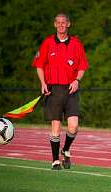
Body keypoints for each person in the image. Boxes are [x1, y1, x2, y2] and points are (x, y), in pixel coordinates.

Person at [32, 13, 89, 170]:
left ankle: (66, 149)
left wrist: (77, 80)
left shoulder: (76, 44)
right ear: (54, 24)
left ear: (69, 24)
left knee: (73, 126)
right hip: (53, 89)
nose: (61, 25)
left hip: (71, 89)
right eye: (58, 22)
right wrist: (43, 83)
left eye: (64, 22)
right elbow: (39, 65)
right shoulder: (48, 43)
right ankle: (55, 160)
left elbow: (82, 66)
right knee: (56, 126)